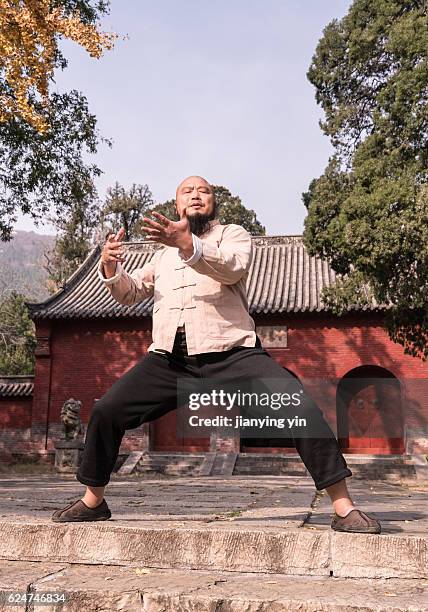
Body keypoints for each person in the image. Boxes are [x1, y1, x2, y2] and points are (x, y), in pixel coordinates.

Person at [52, 175, 381, 534]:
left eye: (203, 191)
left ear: (213, 202)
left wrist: (188, 244)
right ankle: (93, 501)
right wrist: (111, 268)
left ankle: (343, 506)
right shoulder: (161, 256)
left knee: (298, 407)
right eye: (187, 192)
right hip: (170, 359)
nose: (195, 195)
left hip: (233, 353)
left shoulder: (233, 236)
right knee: (106, 410)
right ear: (177, 205)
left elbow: (231, 267)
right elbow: (130, 293)